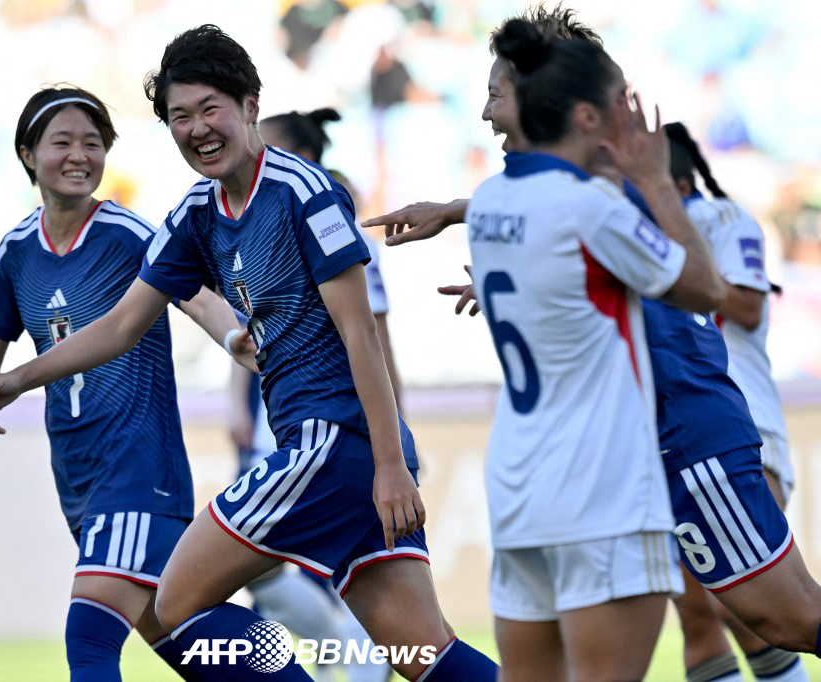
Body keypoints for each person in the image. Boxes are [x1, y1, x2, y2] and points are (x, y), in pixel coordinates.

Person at [0, 26, 498, 682]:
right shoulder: (195, 213)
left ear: (250, 104)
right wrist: (16, 378)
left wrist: (391, 463)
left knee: (176, 599)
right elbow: (122, 325)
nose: (197, 129)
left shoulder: (304, 191)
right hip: (332, 447)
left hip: (335, 442)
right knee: (423, 655)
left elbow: (363, 336)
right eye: (179, 117)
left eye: (210, 108)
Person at [362, 4, 821, 675]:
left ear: (550, 98)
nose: (486, 112)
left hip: (681, 426)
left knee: (785, 617)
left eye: (495, 93)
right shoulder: (537, 196)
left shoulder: (605, 185)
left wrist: (462, 217)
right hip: (605, 458)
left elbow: (693, 283)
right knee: (709, 621)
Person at [0, 85, 251, 682]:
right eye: (61, 142)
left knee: (90, 640)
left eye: (93, 144)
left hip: (139, 471)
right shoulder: (16, 250)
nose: (79, 156)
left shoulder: (126, 233)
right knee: (192, 637)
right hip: (79, 478)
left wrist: (234, 337)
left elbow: (196, 296)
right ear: (26, 154)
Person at [227, 107, 400, 682]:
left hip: (331, 423)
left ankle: (353, 652)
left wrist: (393, 442)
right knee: (262, 571)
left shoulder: (325, 214)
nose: (256, 156)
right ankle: (345, 657)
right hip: (278, 415)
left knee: (224, 576)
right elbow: (248, 324)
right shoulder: (249, 219)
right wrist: (236, 398)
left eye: (269, 146)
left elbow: (370, 334)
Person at [665, 121, 807, 682]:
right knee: (697, 616)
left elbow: (746, 307)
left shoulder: (720, 218)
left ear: (670, 182)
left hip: (742, 428)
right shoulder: (630, 233)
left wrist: (658, 271)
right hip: (676, 439)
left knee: (763, 612)